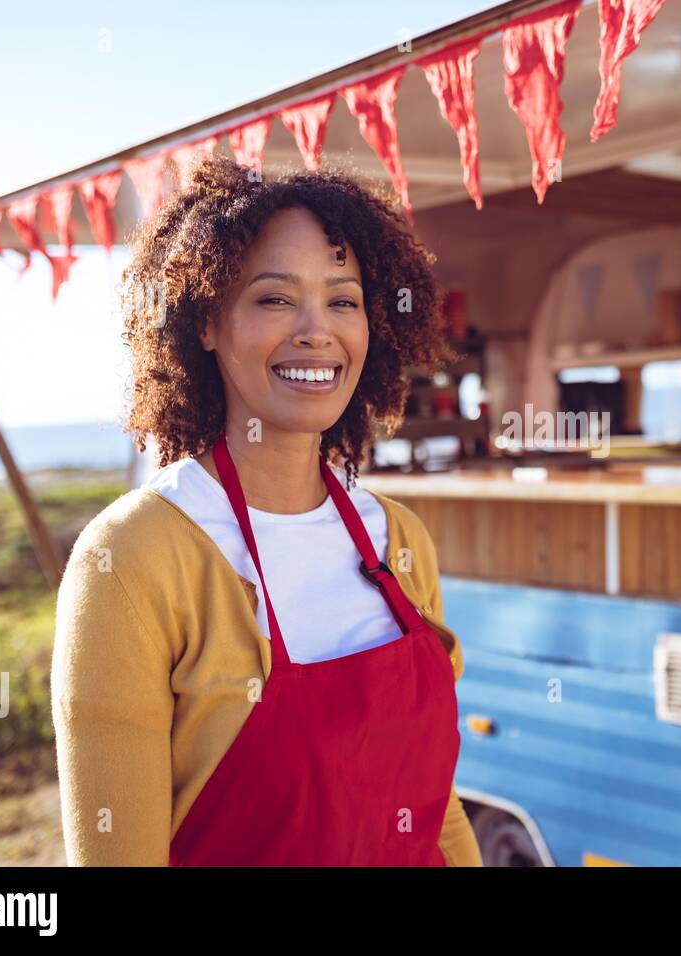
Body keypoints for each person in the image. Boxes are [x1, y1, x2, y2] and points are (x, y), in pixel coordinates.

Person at [51, 153, 482, 866]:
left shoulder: (397, 539)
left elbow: (439, 815)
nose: (317, 330)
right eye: (275, 299)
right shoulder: (130, 560)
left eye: (343, 300)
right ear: (207, 324)